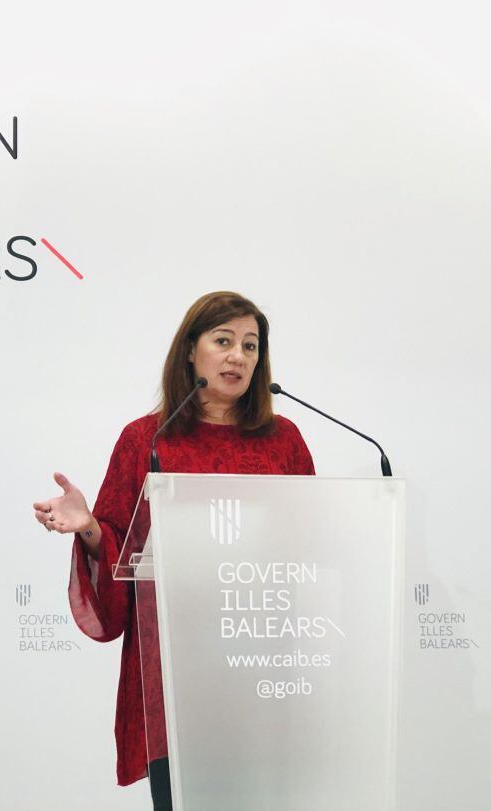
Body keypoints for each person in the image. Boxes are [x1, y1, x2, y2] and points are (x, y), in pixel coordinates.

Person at [33, 291, 315, 810]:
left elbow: (308, 546)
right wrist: (91, 528)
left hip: (262, 665)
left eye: (250, 347)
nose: (238, 357)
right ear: (191, 350)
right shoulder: (148, 439)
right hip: (176, 668)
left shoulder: (284, 441)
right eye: (223, 341)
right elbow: (119, 546)